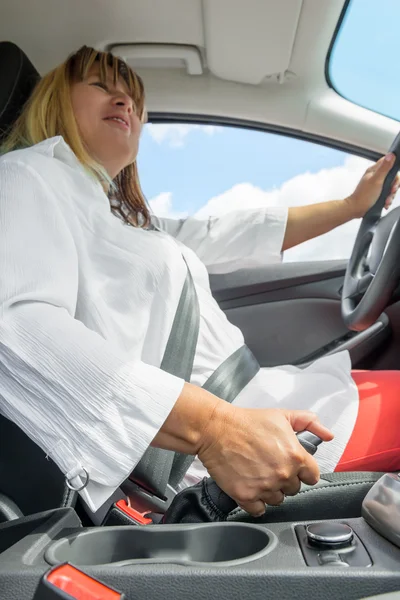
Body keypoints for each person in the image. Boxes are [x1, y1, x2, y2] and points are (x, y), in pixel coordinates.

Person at [0, 46, 399, 518]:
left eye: (134, 98)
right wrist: (215, 428)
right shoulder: (27, 174)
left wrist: (353, 206)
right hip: (209, 459)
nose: (125, 101)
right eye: (102, 85)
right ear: (54, 100)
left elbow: (230, 232)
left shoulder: (125, 220)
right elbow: (17, 328)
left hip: (263, 404)